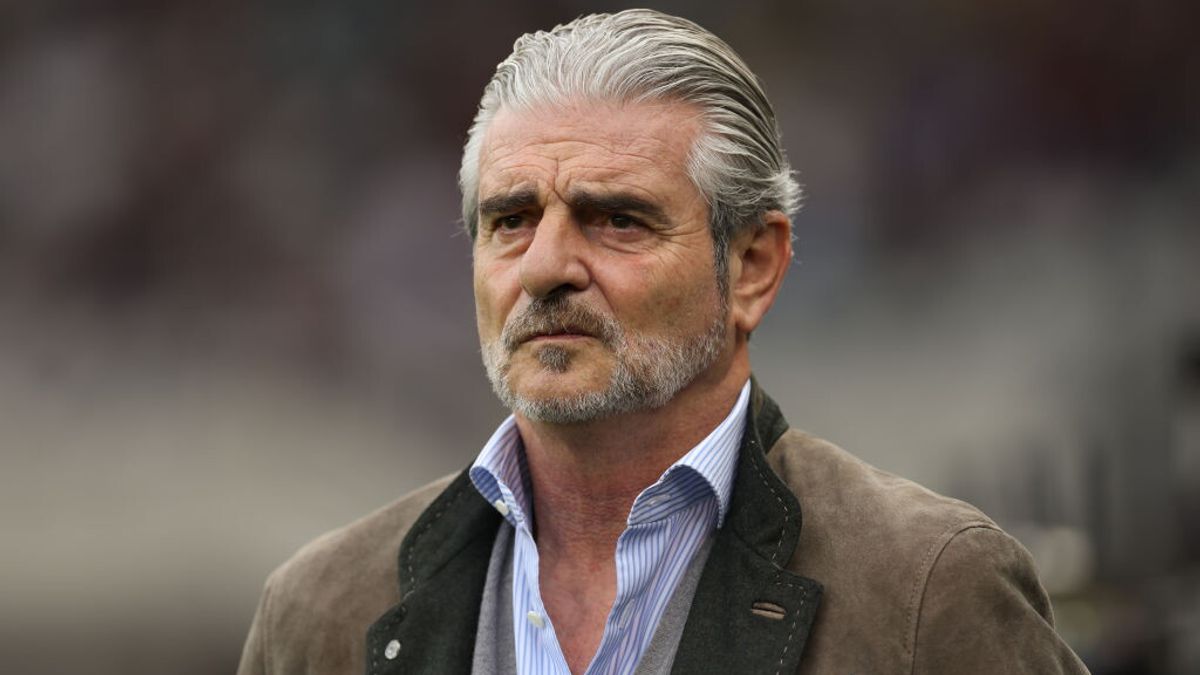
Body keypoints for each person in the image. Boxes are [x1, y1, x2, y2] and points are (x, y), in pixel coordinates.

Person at [237, 9, 1088, 675]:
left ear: (752, 265)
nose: (545, 267)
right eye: (511, 219)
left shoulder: (926, 591)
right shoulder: (319, 610)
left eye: (616, 219)